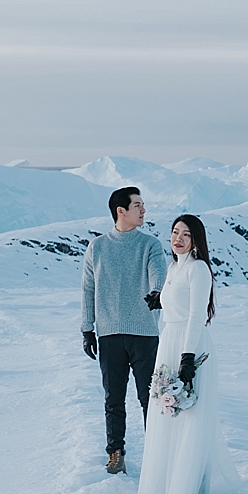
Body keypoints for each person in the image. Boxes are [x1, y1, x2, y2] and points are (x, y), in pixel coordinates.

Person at [137, 214, 239, 494]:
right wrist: (162, 299)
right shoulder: (172, 267)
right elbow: (177, 300)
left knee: (191, 414)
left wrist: (187, 358)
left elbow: (196, 316)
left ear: (196, 241)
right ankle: (167, 481)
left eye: (185, 234)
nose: (177, 238)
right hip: (168, 341)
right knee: (167, 413)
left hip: (188, 344)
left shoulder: (198, 269)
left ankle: (190, 487)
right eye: (174, 232)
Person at [81, 187, 167, 475]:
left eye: (143, 205)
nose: (143, 210)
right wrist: (86, 329)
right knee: (113, 399)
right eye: (138, 205)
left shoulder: (150, 244)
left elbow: (159, 271)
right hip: (109, 334)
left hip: (144, 333)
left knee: (149, 399)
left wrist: (157, 292)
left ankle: (157, 454)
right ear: (121, 211)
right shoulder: (98, 247)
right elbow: (88, 289)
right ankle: (115, 453)